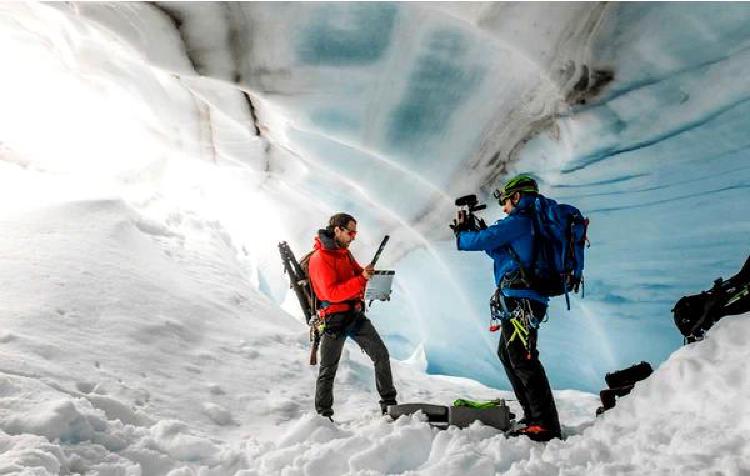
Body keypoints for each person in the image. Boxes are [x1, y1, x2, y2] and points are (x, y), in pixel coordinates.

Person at [452, 174, 561, 442]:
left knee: (523, 358)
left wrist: (465, 234)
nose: (503, 207)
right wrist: (479, 231)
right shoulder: (528, 225)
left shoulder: (521, 220)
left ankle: (544, 424)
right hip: (521, 298)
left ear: (517, 196)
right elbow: (498, 249)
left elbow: (480, 241)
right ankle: (533, 416)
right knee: (509, 354)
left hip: (522, 299)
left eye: (506, 200)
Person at [308, 213, 397, 418]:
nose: (353, 237)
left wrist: (371, 280)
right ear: (337, 229)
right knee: (328, 370)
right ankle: (323, 415)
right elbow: (331, 293)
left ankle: (389, 404)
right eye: (350, 232)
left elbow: (359, 276)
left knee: (380, 354)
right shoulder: (320, 258)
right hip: (333, 320)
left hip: (354, 315)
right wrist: (361, 279)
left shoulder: (344, 254)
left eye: (355, 232)